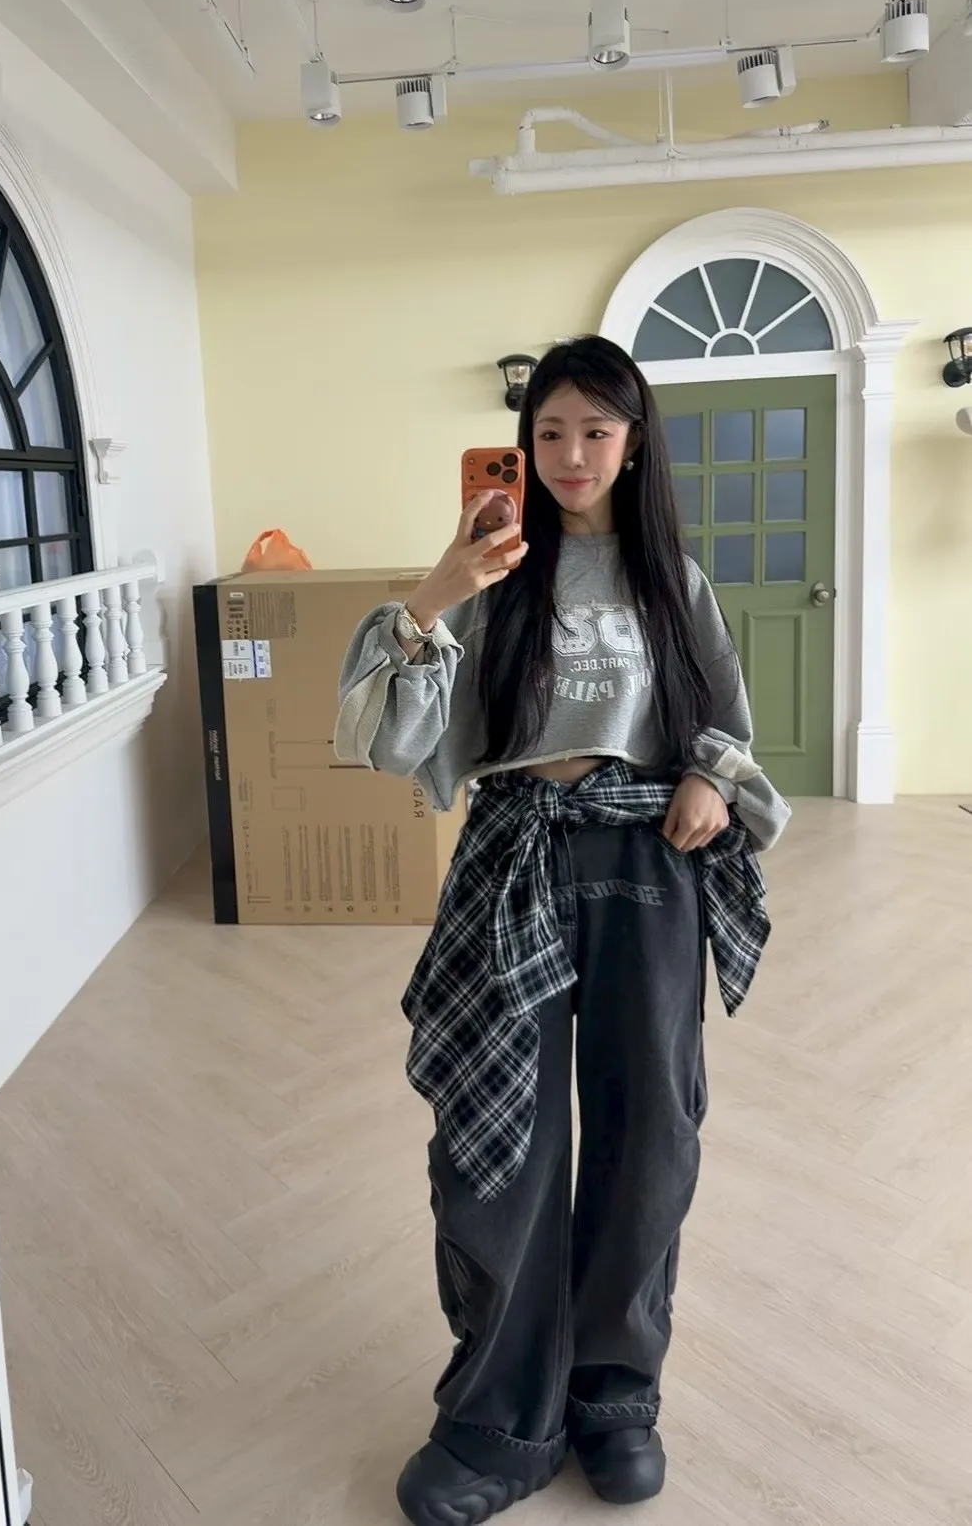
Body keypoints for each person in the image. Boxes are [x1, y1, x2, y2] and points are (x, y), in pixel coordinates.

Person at [335, 336, 790, 1525]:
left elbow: (725, 722)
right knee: (499, 1146)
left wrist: (708, 776)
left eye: (595, 429)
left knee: (650, 1135)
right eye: (548, 431)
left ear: (633, 444)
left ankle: (614, 1393)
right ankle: (501, 1414)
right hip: (514, 862)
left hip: (649, 864)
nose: (570, 452)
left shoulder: (672, 579)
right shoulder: (495, 574)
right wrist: (438, 590)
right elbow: (390, 740)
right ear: (522, 446)